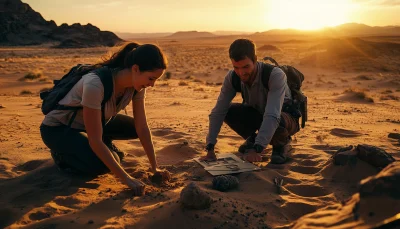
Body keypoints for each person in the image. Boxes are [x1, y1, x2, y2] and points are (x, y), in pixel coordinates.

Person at [40, 42, 170, 196]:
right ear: (135, 69)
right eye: (151, 78)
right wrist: (127, 179)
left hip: (93, 123)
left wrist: (155, 167)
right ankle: (61, 156)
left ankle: (101, 148)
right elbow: (95, 140)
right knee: (102, 165)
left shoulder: (137, 87)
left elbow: (141, 127)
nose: (152, 85)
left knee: (132, 129)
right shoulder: (95, 84)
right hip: (58, 129)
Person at [203, 39, 300, 164]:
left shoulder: (275, 75)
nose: (241, 73)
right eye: (236, 67)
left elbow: (272, 115)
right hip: (260, 115)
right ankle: (252, 139)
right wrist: (210, 147)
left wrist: (258, 149)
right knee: (229, 110)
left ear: (255, 60)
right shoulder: (232, 77)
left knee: (277, 153)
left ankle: (282, 144)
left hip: (285, 119)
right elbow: (218, 111)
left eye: (246, 67)